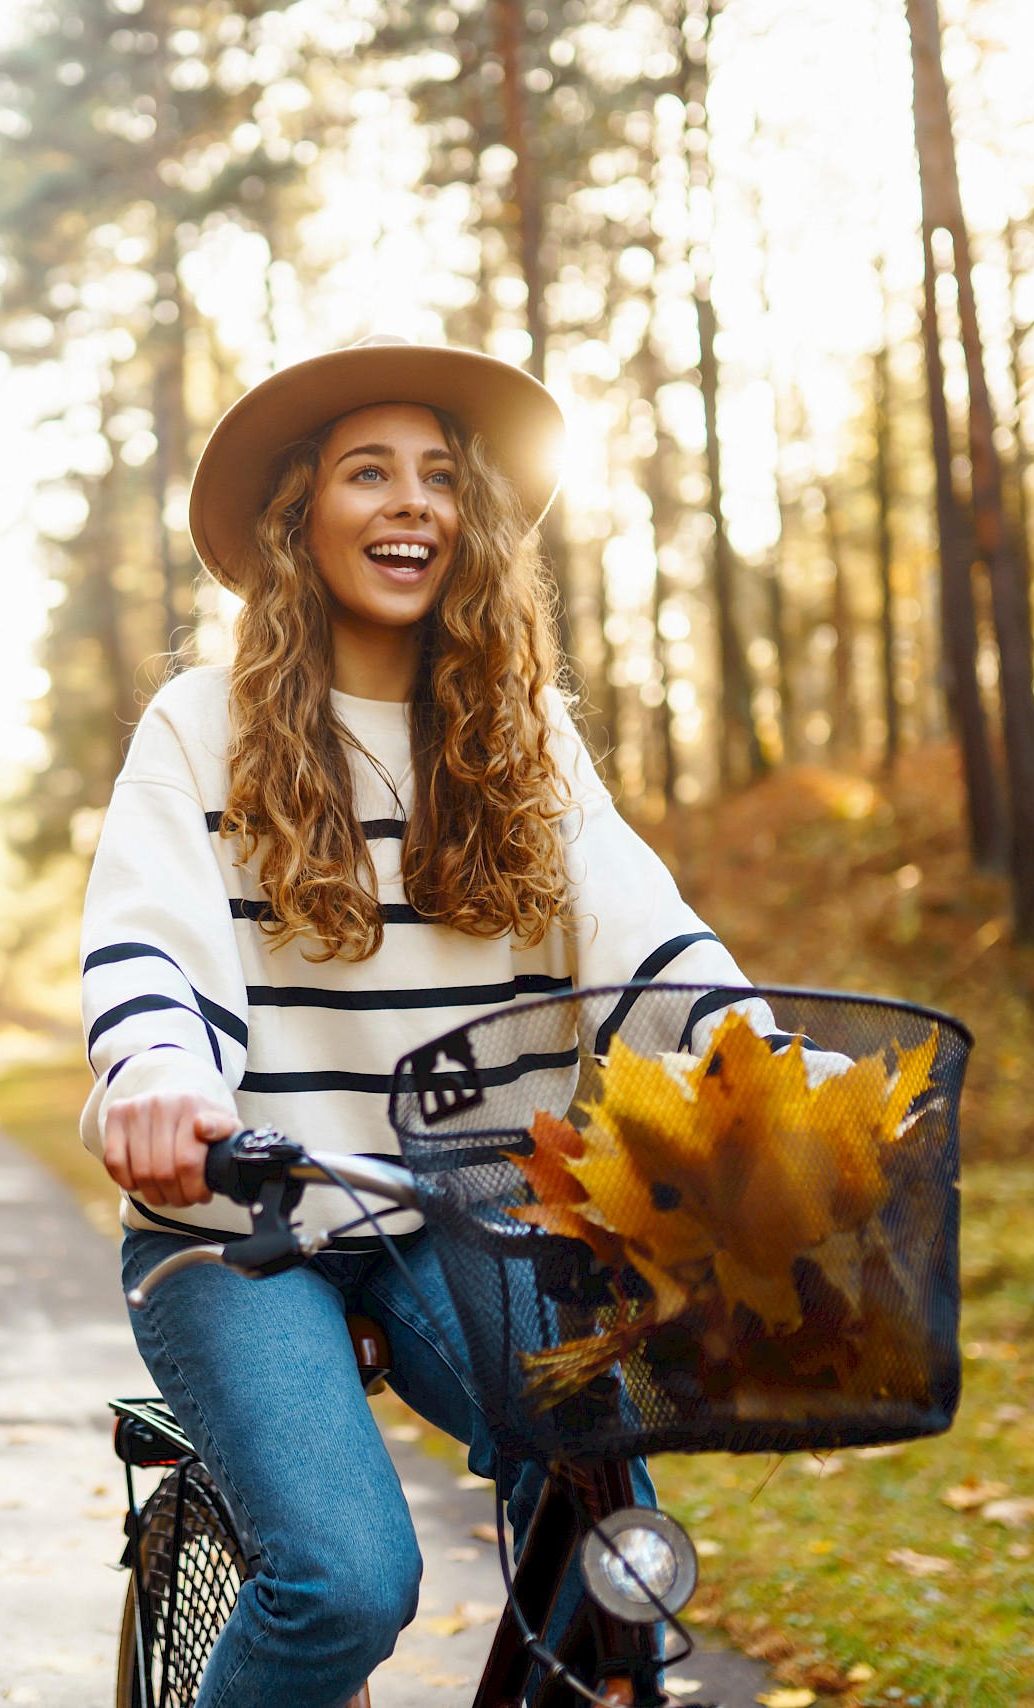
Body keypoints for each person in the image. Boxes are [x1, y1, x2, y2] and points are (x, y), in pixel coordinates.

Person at [78, 338, 757, 1708]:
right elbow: (157, 940)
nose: (413, 503)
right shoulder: (201, 726)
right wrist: (158, 1071)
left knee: (601, 1510)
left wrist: (761, 1062)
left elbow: (642, 940)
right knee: (344, 1582)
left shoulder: (519, 737)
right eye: (369, 471)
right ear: (299, 515)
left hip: (468, 1216)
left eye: (442, 477)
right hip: (247, 1230)